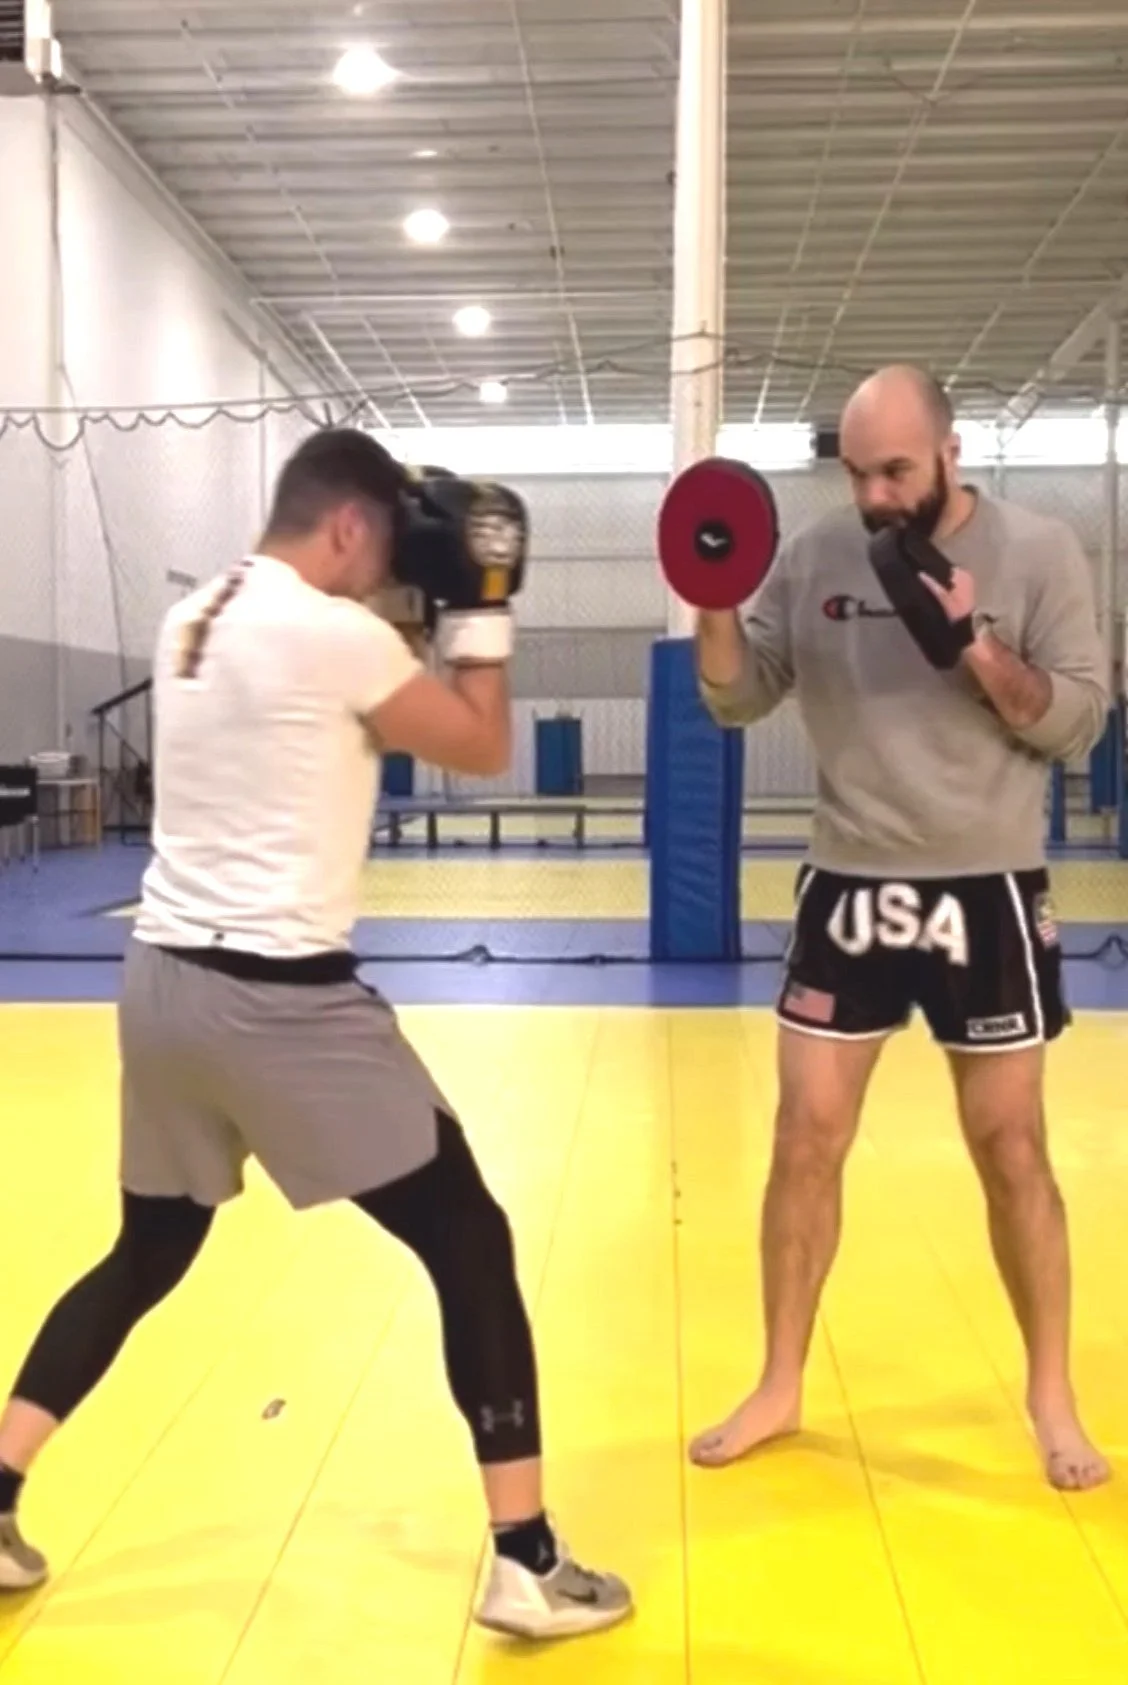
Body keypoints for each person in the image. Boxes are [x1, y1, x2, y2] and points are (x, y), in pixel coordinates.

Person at [0, 428, 633, 1638]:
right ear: (346, 525)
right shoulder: (328, 629)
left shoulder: (197, 618)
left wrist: (418, 606)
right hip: (280, 999)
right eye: (387, 544)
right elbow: (480, 744)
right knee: (471, 1234)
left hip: (161, 979)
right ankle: (528, 1557)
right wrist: (483, 607)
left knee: (149, 1251)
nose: (393, 569)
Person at [691, 364, 1110, 1492]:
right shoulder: (821, 552)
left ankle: (1052, 1396)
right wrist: (713, 591)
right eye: (859, 470)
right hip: (851, 882)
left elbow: (1073, 722)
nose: (876, 494)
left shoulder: (1041, 553)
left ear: (949, 453)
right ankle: (780, 1380)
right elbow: (738, 696)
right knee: (803, 1136)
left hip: (987, 884)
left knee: (1010, 1146)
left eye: (898, 471)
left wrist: (970, 641)